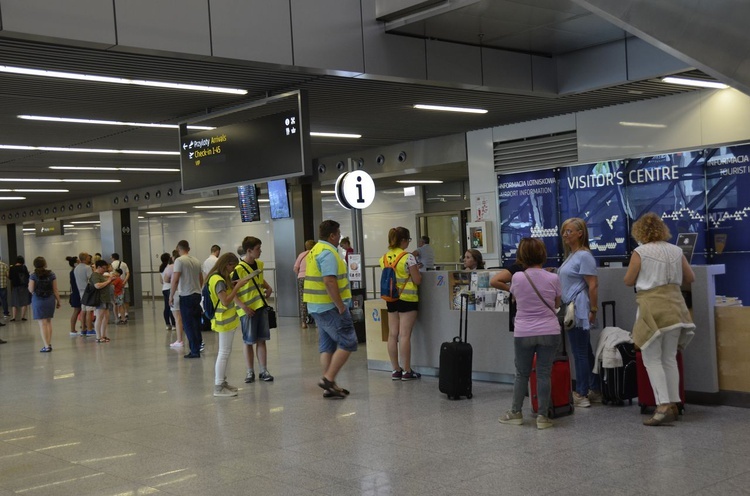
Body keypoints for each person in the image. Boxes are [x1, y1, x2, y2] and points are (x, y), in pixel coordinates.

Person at [624, 212, 696, 426]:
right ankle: (674, 402)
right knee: (669, 357)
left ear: (639, 232)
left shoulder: (640, 252)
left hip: (651, 309)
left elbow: (628, 280)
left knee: (651, 359)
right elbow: (690, 277)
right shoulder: (676, 250)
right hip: (676, 307)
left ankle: (662, 405)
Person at [498, 238, 561, 429]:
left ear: (522, 256)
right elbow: (557, 304)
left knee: (521, 374)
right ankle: (542, 416)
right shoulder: (554, 278)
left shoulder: (517, 278)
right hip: (550, 331)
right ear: (542, 254)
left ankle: (516, 412)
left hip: (524, 331)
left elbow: (517, 297)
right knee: (543, 374)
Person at [303, 220, 357, 399]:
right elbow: (329, 281)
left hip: (316, 306)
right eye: (338, 234)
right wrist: (341, 305)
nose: (340, 237)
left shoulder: (315, 250)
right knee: (348, 342)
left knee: (327, 345)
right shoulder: (327, 253)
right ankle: (328, 378)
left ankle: (329, 386)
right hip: (330, 307)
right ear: (332, 235)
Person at [558, 217, 601, 407]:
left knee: (580, 351)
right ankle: (595, 388)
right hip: (573, 306)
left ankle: (582, 393)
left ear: (580, 233)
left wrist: (593, 309)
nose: (565, 235)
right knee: (585, 350)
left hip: (578, 307)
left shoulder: (583, 256)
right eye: (564, 231)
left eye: (569, 231)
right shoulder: (573, 255)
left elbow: (593, 285)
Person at [207, 253, 253, 397]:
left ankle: (222, 382)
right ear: (226, 264)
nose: (233, 270)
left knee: (224, 352)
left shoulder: (217, 278)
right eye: (232, 266)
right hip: (223, 320)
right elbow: (225, 301)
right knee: (223, 353)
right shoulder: (218, 280)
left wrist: (233, 285)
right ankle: (218, 386)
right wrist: (237, 287)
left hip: (225, 320)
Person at [380, 227, 422, 381]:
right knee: (404, 335)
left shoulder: (384, 257)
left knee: (393, 334)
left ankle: (395, 370)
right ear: (403, 240)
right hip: (407, 299)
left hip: (391, 298)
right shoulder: (408, 257)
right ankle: (407, 371)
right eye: (408, 240)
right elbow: (417, 280)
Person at [233, 236, 274, 383]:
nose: (260, 251)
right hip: (247, 310)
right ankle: (250, 371)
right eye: (258, 249)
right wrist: (243, 307)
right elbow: (232, 292)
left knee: (261, 340)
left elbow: (259, 280)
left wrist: (268, 287)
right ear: (249, 251)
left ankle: (264, 370)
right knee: (248, 341)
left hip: (260, 307)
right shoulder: (237, 270)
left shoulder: (259, 264)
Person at [170, 240, 204, 358]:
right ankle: (198, 346)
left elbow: (175, 280)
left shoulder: (179, 261)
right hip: (197, 295)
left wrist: (171, 296)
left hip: (186, 295)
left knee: (188, 324)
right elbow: (201, 279)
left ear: (178, 249)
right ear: (188, 248)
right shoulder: (196, 261)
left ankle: (194, 351)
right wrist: (199, 289)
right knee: (196, 323)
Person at [29, 257, 61, 352]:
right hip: (50, 299)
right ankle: (49, 343)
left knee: (42, 324)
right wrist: (58, 301)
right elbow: (55, 289)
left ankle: (46, 346)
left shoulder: (33, 275)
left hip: (38, 300)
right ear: (45, 263)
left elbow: (31, 290)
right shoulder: (51, 274)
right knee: (48, 322)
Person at [90, 260, 117, 343]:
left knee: (106, 317)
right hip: (100, 299)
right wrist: (108, 281)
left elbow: (104, 284)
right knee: (99, 317)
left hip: (106, 298)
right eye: (103, 268)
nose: (105, 270)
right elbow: (97, 285)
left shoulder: (101, 275)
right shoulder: (95, 275)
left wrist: (110, 280)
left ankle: (103, 335)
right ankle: (98, 336)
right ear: (98, 267)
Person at [293, 240, 315, 329]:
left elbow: (295, 268)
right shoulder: (315, 254)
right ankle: (316, 320)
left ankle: (303, 322)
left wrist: (300, 274)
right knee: (313, 299)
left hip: (301, 278)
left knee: (303, 300)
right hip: (312, 278)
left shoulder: (301, 255)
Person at [164, 250, 184, 348]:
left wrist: (170, 296)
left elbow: (166, 280)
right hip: (186, 292)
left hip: (175, 293)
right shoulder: (189, 264)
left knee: (177, 318)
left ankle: (179, 340)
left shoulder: (171, 267)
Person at [74, 252, 95, 336]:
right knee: (89, 311)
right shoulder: (87, 268)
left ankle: (83, 329)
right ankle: (90, 329)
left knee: (83, 310)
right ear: (85, 258)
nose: (89, 258)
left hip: (81, 290)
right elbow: (91, 279)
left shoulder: (76, 268)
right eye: (88, 257)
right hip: (88, 291)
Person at [9, 256, 30, 322]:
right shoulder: (24, 267)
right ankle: (23, 317)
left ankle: (13, 317)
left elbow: (10, 277)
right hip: (23, 286)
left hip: (15, 287)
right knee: (24, 302)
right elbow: (27, 276)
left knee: (14, 302)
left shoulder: (12, 268)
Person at [110, 253, 130, 322]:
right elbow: (128, 273)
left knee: (116, 304)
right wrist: (124, 282)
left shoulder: (112, 264)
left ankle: (119, 315)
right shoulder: (124, 264)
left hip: (116, 291)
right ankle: (126, 313)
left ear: (112, 258)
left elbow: (112, 283)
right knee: (126, 300)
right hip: (124, 285)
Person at [159, 253, 176, 331]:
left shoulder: (161, 268)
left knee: (166, 307)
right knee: (172, 307)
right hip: (170, 288)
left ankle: (167, 324)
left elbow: (161, 281)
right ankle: (173, 324)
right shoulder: (170, 267)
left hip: (164, 289)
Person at [66, 256, 82, 336]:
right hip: (76, 293)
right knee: (77, 310)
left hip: (75, 293)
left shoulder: (73, 271)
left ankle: (80, 327)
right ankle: (72, 329)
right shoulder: (75, 271)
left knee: (79, 310)